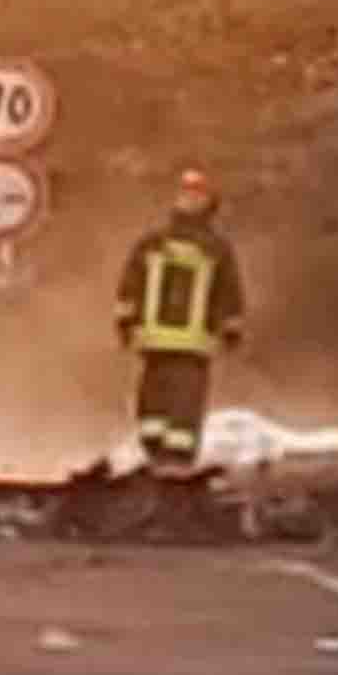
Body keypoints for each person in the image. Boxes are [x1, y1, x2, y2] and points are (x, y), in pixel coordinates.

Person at [115, 166, 249, 473]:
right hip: (192, 345)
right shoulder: (216, 248)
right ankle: (174, 460)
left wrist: (126, 323)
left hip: (155, 341)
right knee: (179, 402)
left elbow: (130, 285)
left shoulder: (153, 243)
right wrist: (231, 329)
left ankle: (158, 455)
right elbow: (229, 292)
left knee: (157, 398)